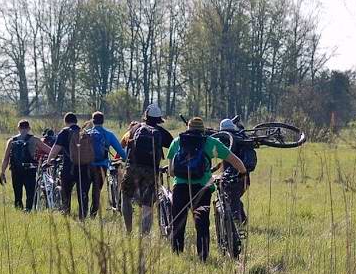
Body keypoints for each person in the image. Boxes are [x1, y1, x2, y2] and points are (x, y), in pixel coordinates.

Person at [167, 117, 247, 261]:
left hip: (180, 186)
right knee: (202, 222)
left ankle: (177, 255)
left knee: (178, 221)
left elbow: (171, 171)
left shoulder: (177, 141)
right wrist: (242, 173)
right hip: (202, 187)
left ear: (188, 129)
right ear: (203, 130)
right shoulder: (210, 142)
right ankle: (203, 257)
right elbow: (234, 160)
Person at [120, 103, 174, 234]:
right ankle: (144, 235)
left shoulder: (135, 128)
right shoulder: (161, 132)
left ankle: (128, 231)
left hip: (133, 168)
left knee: (126, 197)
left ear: (146, 116)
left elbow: (124, 143)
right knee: (147, 204)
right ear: (158, 119)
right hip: (152, 171)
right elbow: (173, 145)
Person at [45, 113, 92, 219]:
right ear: (76, 121)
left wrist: (48, 162)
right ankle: (83, 217)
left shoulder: (64, 132)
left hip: (68, 168)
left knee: (66, 193)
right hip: (84, 167)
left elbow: (55, 150)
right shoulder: (84, 132)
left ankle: (66, 216)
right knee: (83, 193)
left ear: (65, 121)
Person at [85, 111, 127, 218]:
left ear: (92, 121)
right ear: (103, 121)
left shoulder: (86, 133)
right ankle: (93, 214)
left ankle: (83, 214)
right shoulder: (109, 135)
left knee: (84, 189)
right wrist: (128, 158)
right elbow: (120, 151)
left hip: (87, 166)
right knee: (96, 190)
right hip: (102, 166)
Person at [0, 120, 46, 211]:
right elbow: (48, 150)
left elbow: (6, 158)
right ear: (29, 128)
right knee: (30, 193)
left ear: (18, 128)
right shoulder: (35, 139)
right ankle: (28, 210)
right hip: (30, 169)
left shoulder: (11, 141)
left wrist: (2, 172)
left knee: (17, 193)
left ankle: (18, 210)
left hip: (16, 170)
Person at [219, 118, 257, 225]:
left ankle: (237, 221)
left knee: (231, 197)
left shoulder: (224, 140)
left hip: (233, 177)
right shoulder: (242, 138)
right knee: (232, 197)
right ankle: (242, 220)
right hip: (244, 177)